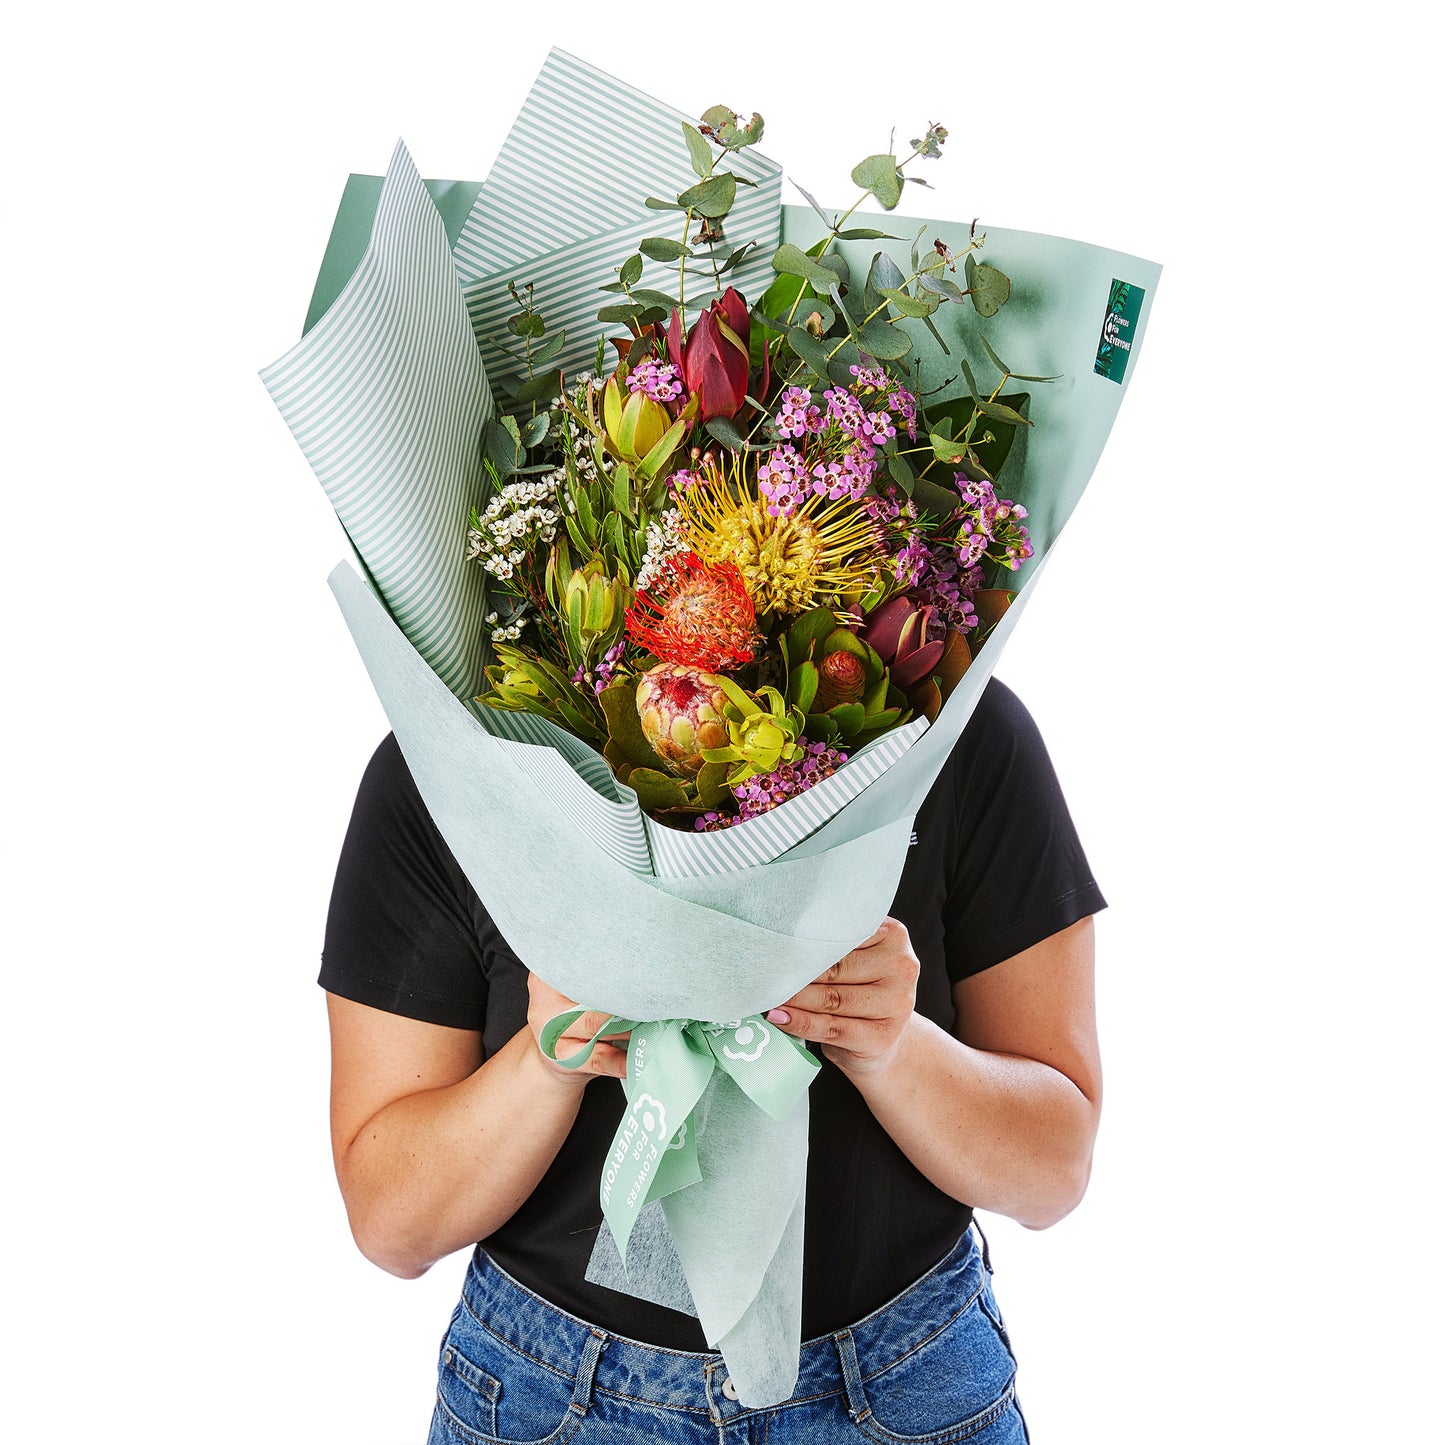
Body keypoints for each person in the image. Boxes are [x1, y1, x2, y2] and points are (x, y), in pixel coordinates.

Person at [322, 677, 1103, 1444]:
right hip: (549, 1396)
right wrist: (547, 1060)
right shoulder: (451, 772)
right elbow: (393, 1225)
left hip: (908, 1382)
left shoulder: (953, 731)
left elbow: (1054, 1171)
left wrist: (893, 1045)